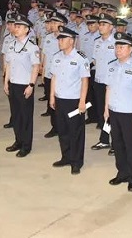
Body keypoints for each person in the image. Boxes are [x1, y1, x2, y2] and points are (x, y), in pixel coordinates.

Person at [105, 32, 132, 192]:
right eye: (117, 47)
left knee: (131, 146)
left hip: (130, 113)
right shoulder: (112, 66)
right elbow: (108, 88)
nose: (118, 50)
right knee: (117, 144)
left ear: (131, 49)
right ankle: (122, 173)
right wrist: (106, 109)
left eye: (122, 47)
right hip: (114, 111)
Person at [49, 26, 90, 175]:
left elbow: (85, 81)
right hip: (60, 99)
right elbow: (54, 77)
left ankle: (76, 161)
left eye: (62, 39)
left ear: (71, 41)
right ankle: (66, 156)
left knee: (75, 131)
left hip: (74, 101)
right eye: (59, 39)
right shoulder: (57, 57)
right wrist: (52, 96)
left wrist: (82, 101)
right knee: (63, 130)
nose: (59, 41)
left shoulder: (80, 58)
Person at [3, 14, 41, 158]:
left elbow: (36, 67)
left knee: (25, 117)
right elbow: (9, 64)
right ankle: (18, 141)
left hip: (25, 85)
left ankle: (26, 146)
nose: (16, 28)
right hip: (13, 84)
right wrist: (6, 82)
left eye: (19, 27)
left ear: (27, 29)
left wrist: (31, 85)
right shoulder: (11, 44)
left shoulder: (32, 47)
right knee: (16, 115)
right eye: (15, 26)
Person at [90, 13, 116, 152]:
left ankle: (116, 142)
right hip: (99, 81)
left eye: (104, 24)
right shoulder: (97, 42)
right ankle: (104, 139)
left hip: (111, 84)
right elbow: (94, 61)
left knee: (113, 114)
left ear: (111, 27)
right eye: (100, 24)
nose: (100, 27)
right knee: (102, 112)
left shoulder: (117, 42)